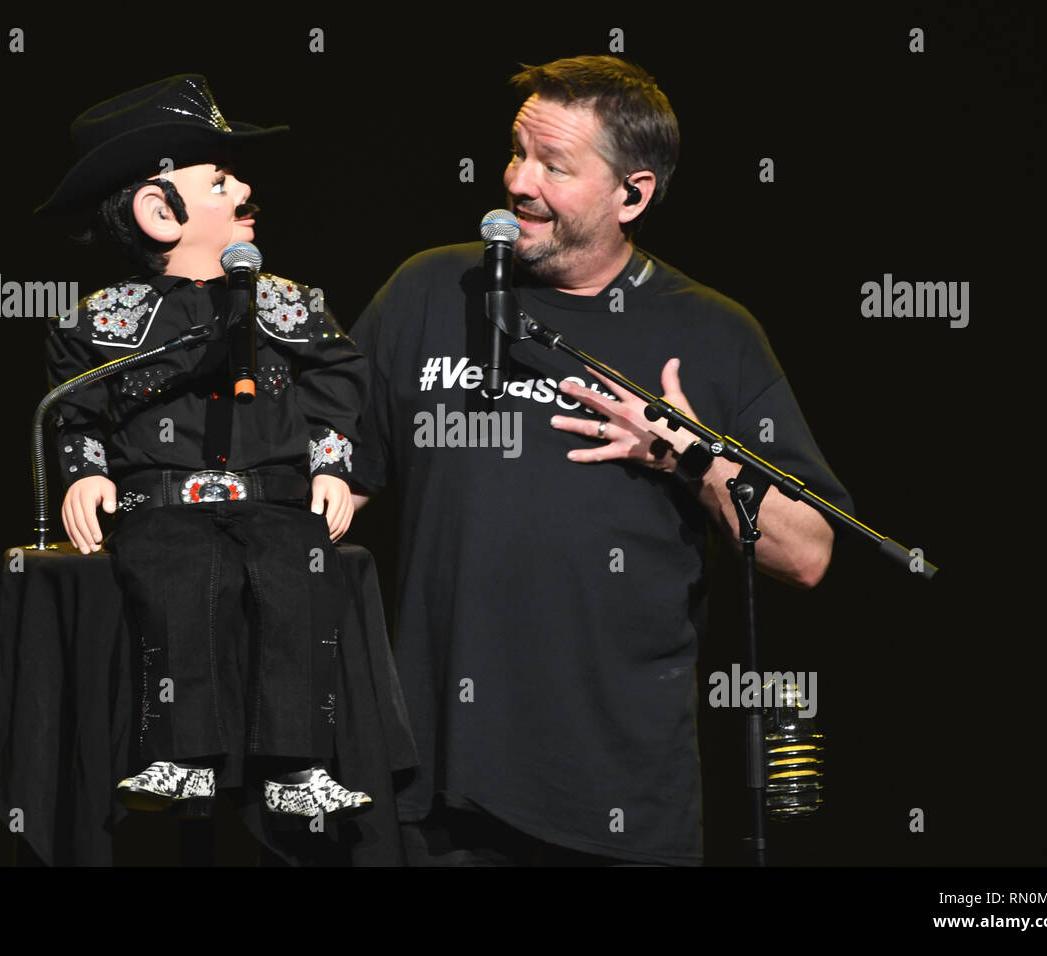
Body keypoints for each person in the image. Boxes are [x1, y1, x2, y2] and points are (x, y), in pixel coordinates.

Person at [347, 55, 853, 865]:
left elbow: (809, 553)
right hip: (435, 788)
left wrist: (690, 457)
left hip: (614, 799)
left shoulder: (712, 333)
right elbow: (333, 473)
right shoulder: (430, 290)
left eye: (554, 164)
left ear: (633, 195)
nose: (518, 182)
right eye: (517, 152)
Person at [37, 74, 373, 821]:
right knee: (174, 598)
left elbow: (338, 382)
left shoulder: (290, 302)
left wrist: (331, 464)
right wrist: (84, 474)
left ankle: (299, 765)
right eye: (220, 181)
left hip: (276, 501)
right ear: (159, 211)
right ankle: (180, 755)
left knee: (299, 599)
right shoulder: (100, 321)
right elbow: (74, 410)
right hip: (161, 503)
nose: (245, 190)